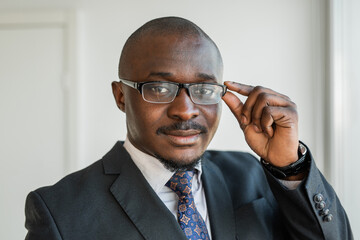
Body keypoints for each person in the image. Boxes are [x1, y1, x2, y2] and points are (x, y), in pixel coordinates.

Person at [25, 17, 353, 240]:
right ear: (121, 96)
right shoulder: (60, 212)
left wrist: (289, 166)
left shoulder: (254, 175)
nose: (185, 110)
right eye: (158, 88)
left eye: (204, 89)